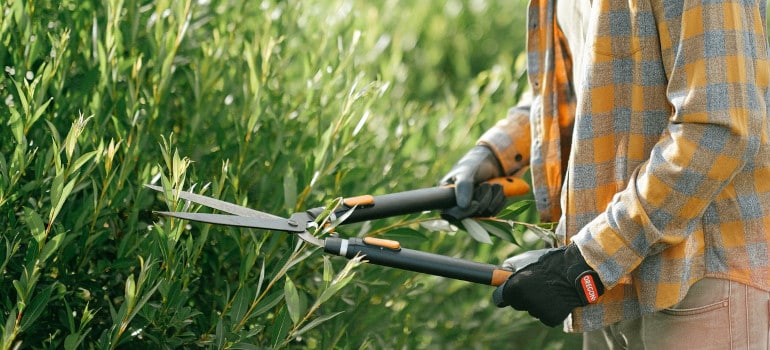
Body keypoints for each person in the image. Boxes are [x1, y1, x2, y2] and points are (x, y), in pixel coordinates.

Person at [440, 0, 770, 348]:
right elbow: (581, 78)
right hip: (609, 274)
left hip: (698, 280)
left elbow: (717, 131)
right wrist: (497, 152)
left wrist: (588, 261)